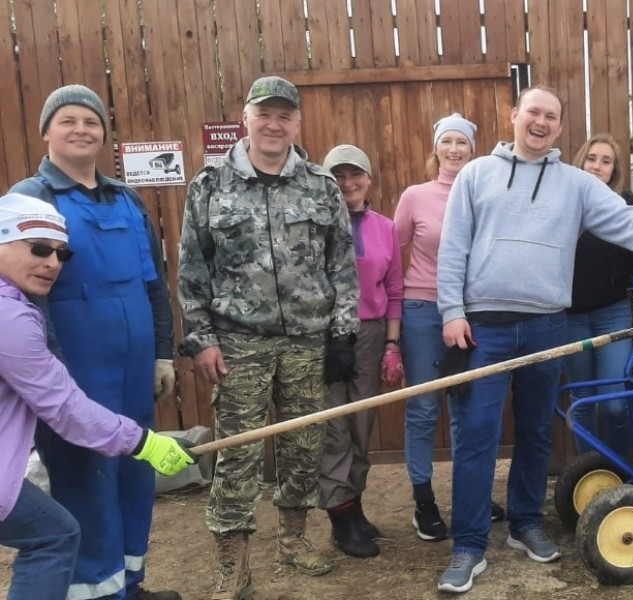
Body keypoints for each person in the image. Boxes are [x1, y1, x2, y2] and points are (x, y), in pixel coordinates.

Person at [435, 85, 633, 593]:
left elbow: (628, 223)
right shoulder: (476, 175)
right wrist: (452, 311)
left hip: (546, 325)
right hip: (485, 327)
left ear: (560, 128)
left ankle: (525, 524)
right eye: (533, 112)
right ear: (515, 115)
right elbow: (452, 248)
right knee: (476, 436)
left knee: (539, 431)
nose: (541, 122)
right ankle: (469, 545)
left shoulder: (575, 185)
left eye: (552, 117)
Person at [177, 76, 360, 598]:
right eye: (265, 114)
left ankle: (293, 540)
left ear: (297, 123)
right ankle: (233, 564)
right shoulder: (209, 186)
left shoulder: (321, 186)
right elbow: (191, 270)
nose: (274, 124)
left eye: (285, 115)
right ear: (246, 119)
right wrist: (202, 339)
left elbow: (342, 266)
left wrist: (343, 334)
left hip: (307, 341)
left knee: (304, 447)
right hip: (238, 345)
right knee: (239, 454)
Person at [8, 84, 180, 600]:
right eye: (68, 121)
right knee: (87, 479)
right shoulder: (28, 199)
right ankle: (95, 592)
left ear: (105, 133)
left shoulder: (127, 198)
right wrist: (53, 366)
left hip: (134, 367)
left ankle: (130, 582)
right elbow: (24, 297)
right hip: (75, 369)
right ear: (46, 132)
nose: (81, 129)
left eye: (91, 121)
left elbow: (154, 283)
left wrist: (163, 353)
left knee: (134, 474)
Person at [394, 113, 503, 542]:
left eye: (462, 142)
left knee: (466, 407)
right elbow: (392, 253)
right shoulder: (415, 197)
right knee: (422, 408)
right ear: (436, 148)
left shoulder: (484, 194)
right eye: (447, 142)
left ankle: (469, 497)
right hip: (422, 309)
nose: (454, 149)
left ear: (473, 149)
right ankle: (424, 503)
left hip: (472, 312)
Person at [317, 144, 404, 559]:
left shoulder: (385, 227)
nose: (348, 184)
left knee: (361, 425)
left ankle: (355, 504)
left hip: (370, 334)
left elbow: (394, 290)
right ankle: (340, 515)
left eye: (356, 175)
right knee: (334, 426)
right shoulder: (315, 225)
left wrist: (391, 344)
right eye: (338, 176)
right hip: (328, 336)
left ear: (369, 179)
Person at [564, 134, 633, 458]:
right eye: (591, 158)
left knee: (613, 404)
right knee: (581, 403)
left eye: (606, 161)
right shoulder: (563, 204)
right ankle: (594, 478)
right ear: (581, 161)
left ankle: (623, 473)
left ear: (614, 169)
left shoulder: (624, 205)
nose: (597, 166)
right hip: (570, 318)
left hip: (613, 314)